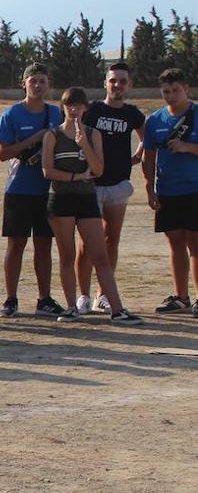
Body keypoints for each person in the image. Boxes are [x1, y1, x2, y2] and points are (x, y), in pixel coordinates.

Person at [41, 89, 143, 325]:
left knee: (101, 255)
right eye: (69, 105)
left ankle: (117, 310)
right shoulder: (52, 136)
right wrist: (76, 177)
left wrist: (84, 144)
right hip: (61, 200)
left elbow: (98, 170)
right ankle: (70, 307)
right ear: (62, 107)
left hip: (87, 199)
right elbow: (48, 171)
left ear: (86, 108)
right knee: (67, 255)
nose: (74, 110)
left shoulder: (93, 134)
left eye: (78, 105)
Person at [0, 62, 66, 319]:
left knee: (44, 246)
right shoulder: (11, 115)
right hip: (19, 189)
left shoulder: (57, 114)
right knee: (16, 245)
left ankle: (44, 298)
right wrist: (34, 139)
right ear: (23, 84)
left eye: (42, 81)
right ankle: (11, 298)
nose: (37, 85)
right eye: (33, 80)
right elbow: (3, 153)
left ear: (49, 84)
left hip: (48, 189)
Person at [77, 63, 146, 315]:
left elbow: (146, 136)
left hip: (117, 185)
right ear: (105, 83)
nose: (117, 85)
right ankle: (83, 295)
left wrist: (138, 154)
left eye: (123, 81)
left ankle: (102, 295)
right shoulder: (93, 110)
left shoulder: (132, 113)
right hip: (91, 185)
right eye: (113, 81)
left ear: (130, 85)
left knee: (111, 239)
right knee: (85, 244)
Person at [142, 68, 198, 317]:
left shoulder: (196, 114)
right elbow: (149, 154)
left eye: (176, 90)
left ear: (186, 89)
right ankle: (181, 296)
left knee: (195, 244)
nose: (171, 95)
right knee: (175, 243)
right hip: (167, 190)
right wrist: (149, 186)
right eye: (166, 91)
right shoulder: (155, 120)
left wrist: (188, 147)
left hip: (194, 189)